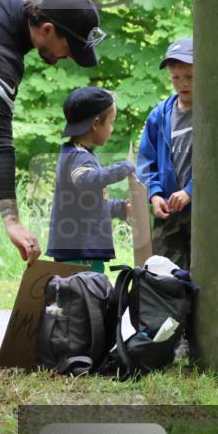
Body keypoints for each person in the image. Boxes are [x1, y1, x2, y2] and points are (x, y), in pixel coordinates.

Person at [0, 0, 105, 264]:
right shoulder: (4, 64)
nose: (67, 59)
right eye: (69, 50)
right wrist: (12, 221)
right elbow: (0, 142)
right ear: (47, 29)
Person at [45, 87, 133, 273]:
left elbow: (90, 205)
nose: (112, 129)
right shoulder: (78, 157)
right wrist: (121, 169)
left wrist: (120, 208)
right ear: (95, 124)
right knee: (87, 297)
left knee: (86, 297)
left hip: (81, 249)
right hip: (80, 251)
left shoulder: (76, 154)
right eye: (111, 122)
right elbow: (86, 181)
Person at [137, 38, 194, 271]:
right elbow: (146, 159)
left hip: (202, 213)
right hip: (168, 213)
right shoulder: (160, 114)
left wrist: (191, 191)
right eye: (176, 78)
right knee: (164, 275)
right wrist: (154, 194)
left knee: (202, 277)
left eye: (190, 77)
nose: (183, 84)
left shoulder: (211, 113)